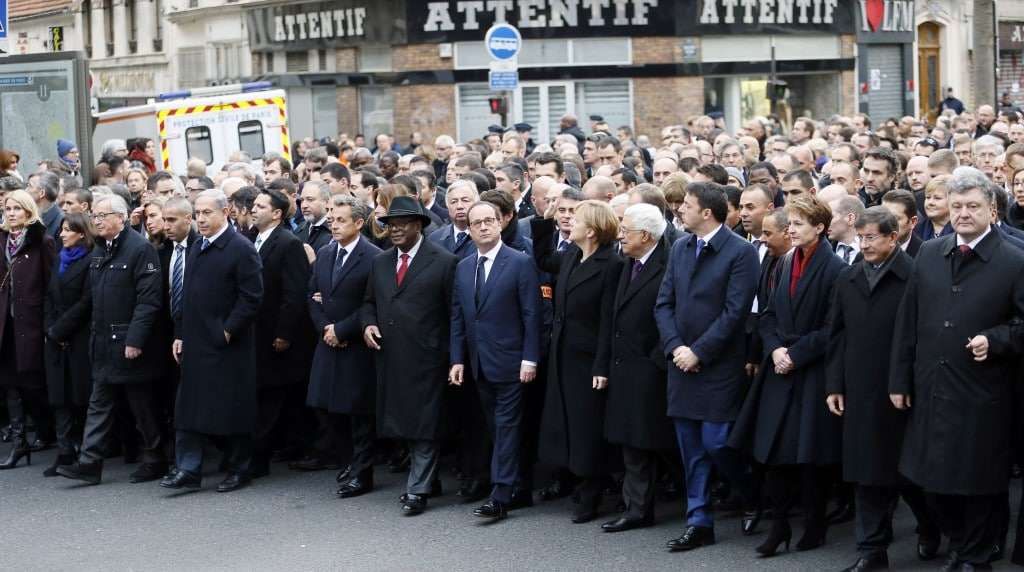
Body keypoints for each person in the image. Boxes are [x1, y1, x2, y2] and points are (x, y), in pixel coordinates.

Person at [890, 167, 1024, 570]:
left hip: (984, 388)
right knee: (924, 480)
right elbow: (907, 321)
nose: (963, 213)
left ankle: (975, 555)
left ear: (992, 209)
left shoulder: (1015, 260)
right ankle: (963, 543)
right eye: (957, 205)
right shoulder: (931, 252)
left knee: (978, 481)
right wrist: (899, 379)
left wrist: (996, 339)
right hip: (931, 384)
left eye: (973, 206)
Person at [729, 195, 846, 556]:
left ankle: (814, 524)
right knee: (771, 453)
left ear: (820, 228)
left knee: (807, 456)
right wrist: (775, 349)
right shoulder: (782, 263)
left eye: (798, 224)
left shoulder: (835, 269)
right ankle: (779, 525)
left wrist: (795, 354)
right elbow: (767, 314)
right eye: (790, 224)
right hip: (778, 368)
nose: (791, 230)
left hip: (809, 371)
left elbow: (834, 327)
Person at [826, 207, 940, 571]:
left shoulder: (916, 276)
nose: (864, 244)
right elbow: (837, 334)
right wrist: (835, 384)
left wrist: (904, 381)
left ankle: (929, 526)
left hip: (900, 390)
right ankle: (871, 550)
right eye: (860, 237)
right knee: (866, 472)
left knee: (906, 474)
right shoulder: (849, 276)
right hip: (859, 388)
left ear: (894, 237)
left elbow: (922, 336)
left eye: (872, 237)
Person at [654, 182, 760, 551]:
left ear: (707, 213)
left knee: (718, 444)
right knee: (690, 449)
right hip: (681, 365)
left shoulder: (741, 252)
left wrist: (699, 352)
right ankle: (699, 520)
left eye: (686, 205)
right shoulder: (680, 247)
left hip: (717, 367)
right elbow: (663, 303)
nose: (680, 210)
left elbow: (735, 313)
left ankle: (752, 493)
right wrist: (675, 347)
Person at [57, 194, 167, 484]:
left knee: (141, 405)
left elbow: (148, 301)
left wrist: (135, 339)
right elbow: (94, 297)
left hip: (129, 343)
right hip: (103, 342)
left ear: (121, 217)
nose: (97, 221)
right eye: (95, 216)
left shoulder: (139, 249)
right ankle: (90, 463)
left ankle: (155, 457)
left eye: (103, 215)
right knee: (99, 403)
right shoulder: (100, 250)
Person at [361, 195, 457, 516]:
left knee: (424, 426)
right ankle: (429, 480)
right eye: (390, 224)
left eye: (402, 223)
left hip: (428, 359)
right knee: (402, 424)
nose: (395, 229)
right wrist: (368, 325)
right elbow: (368, 303)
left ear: (418, 225)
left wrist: (453, 358)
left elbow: (453, 314)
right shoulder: (380, 261)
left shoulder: (443, 261)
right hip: (390, 358)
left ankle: (417, 490)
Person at [162, 190, 263, 493]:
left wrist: (228, 330)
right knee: (188, 409)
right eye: (198, 213)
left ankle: (240, 468)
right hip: (195, 342)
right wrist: (180, 334)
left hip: (226, 346)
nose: (202, 219)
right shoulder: (197, 247)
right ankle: (189, 469)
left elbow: (252, 297)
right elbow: (186, 296)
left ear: (226, 212)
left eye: (207, 213)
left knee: (230, 409)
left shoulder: (240, 248)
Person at [449, 201, 541, 520]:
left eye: (490, 220)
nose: (485, 226)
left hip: (513, 362)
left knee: (506, 427)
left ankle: (500, 495)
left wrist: (530, 358)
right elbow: (459, 317)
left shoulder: (519, 262)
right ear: (470, 229)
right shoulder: (463, 267)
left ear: (500, 224)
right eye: (478, 223)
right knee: (497, 427)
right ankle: (519, 486)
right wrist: (457, 359)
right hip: (478, 364)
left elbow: (532, 314)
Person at [532, 199, 622, 523]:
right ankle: (574, 481)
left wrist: (602, 365)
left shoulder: (612, 263)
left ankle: (591, 492)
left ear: (593, 231)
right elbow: (542, 257)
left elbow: (609, 321)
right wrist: (543, 220)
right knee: (567, 421)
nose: (569, 223)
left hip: (588, 359)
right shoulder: (571, 255)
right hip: (564, 354)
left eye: (578, 219)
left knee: (587, 427)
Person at [600, 203, 677, 533]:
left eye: (625, 230)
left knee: (651, 441)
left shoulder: (669, 263)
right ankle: (637, 508)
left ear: (645, 236)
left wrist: (656, 360)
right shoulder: (627, 263)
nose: (620, 235)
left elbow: (675, 312)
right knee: (632, 442)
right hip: (624, 366)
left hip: (650, 369)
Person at [307, 195, 381, 498]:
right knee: (330, 409)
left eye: (340, 220)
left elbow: (372, 303)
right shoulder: (325, 254)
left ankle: (363, 473)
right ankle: (349, 461)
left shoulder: (374, 256)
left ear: (359, 223)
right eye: (331, 218)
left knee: (359, 413)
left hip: (355, 345)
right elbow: (311, 294)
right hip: (328, 341)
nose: (333, 225)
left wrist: (342, 328)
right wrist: (325, 327)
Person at [248, 189, 312, 478]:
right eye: (253, 204)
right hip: (256, 332)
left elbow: (294, 293)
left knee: (273, 396)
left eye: (260, 206)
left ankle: (259, 457)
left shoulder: (288, 243)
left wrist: (284, 332)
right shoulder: (253, 239)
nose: (253, 209)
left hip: (276, 333)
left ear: (277, 213)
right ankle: (285, 446)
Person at [0, 190, 57, 469]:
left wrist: (48, 324)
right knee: (9, 383)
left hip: (32, 323)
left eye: (17, 209)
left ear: (28, 211)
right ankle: (19, 442)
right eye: (7, 208)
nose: (11, 213)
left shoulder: (41, 241)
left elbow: (51, 287)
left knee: (34, 383)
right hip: (5, 324)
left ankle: (47, 431)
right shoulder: (1, 241)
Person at [42, 213, 95, 476]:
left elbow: (86, 302)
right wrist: (51, 330)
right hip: (55, 338)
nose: (61, 234)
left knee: (79, 397)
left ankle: (84, 452)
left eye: (67, 230)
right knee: (58, 397)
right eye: (61, 229)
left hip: (77, 337)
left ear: (82, 234)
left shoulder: (90, 261)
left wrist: (61, 330)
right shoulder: (60, 260)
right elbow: (49, 296)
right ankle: (64, 452)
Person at [914, 175, 954, 241]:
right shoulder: (916, 229)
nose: (930, 202)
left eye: (937, 198)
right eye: (928, 197)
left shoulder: (960, 230)